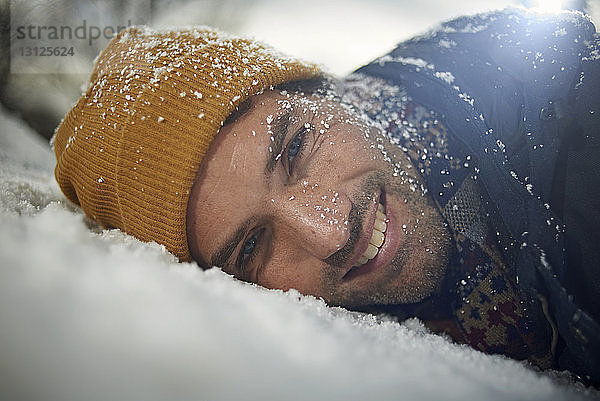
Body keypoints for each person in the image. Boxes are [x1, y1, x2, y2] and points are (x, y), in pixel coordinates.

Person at [53, 8, 600, 385]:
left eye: (294, 151)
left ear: (327, 92)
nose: (330, 232)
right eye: (251, 248)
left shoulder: (566, 99)